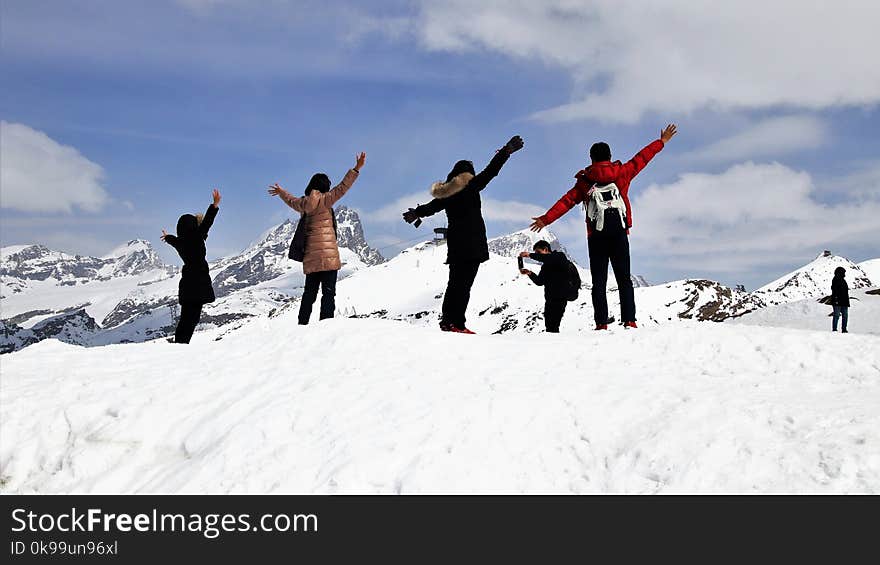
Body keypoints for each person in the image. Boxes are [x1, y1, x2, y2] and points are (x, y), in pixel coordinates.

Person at [530, 124, 678, 330]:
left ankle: (601, 323)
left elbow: (566, 201)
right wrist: (661, 142)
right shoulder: (622, 173)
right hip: (619, 233)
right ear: (610, 156)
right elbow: (641, 159)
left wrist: (545, 219)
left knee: (599, 282)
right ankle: (629, 320)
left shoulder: (584, 182)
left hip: (596, 237)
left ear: (591, 159)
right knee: (624, 279)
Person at [402, 136, 524, 333]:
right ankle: (456, 324)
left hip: (457, 244)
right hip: (472, 244)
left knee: (455, 283)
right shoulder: (472, 185)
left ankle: (447, 321)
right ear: (468, 173)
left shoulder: (446, 194)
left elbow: (431, 207)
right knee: (463, 285)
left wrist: (416, 213)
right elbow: (491, 171)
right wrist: (506, 152)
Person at [268, 152, 366, 325]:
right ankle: (325, 325)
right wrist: (356, 168)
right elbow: (343, 187)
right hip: (328, 257)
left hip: (311, 258)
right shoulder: (327, 199)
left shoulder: (304, 204)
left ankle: (302, 324)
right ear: (325, 186)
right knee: (328, 293)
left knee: (309, 294)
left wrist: (281, 192)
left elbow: (291, 200)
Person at [161, 189, 221, 343]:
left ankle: (180, 340)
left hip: (187, 281)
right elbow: (207, 222)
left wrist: (167, 237)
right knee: (193, 317)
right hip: (199, 280)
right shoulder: (197, 236)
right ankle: (181, 342)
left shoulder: (180, 241)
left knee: (187, 316)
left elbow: (173, 240)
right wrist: (214, 206)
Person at [519, 241, 572, 333]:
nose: (537, 256)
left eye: (538, 252)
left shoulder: (559, 256)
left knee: (554, 324)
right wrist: (529, 273)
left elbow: (548, 258)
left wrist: (530, 255)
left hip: (560, 297)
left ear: (546, 249)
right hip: (549, 299)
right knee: (549, 326)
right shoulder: (545, 266)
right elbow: (540, 282)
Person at [831, 266, 850, 333]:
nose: (844, 274)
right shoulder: (835, 279)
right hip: (838, 301)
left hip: (844, 301)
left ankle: (844, 329)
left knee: (845, 316)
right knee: (837, 315)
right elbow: (834, 290)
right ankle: (835, 329)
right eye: (843, 272)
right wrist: (835, 299)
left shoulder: (842, 280)